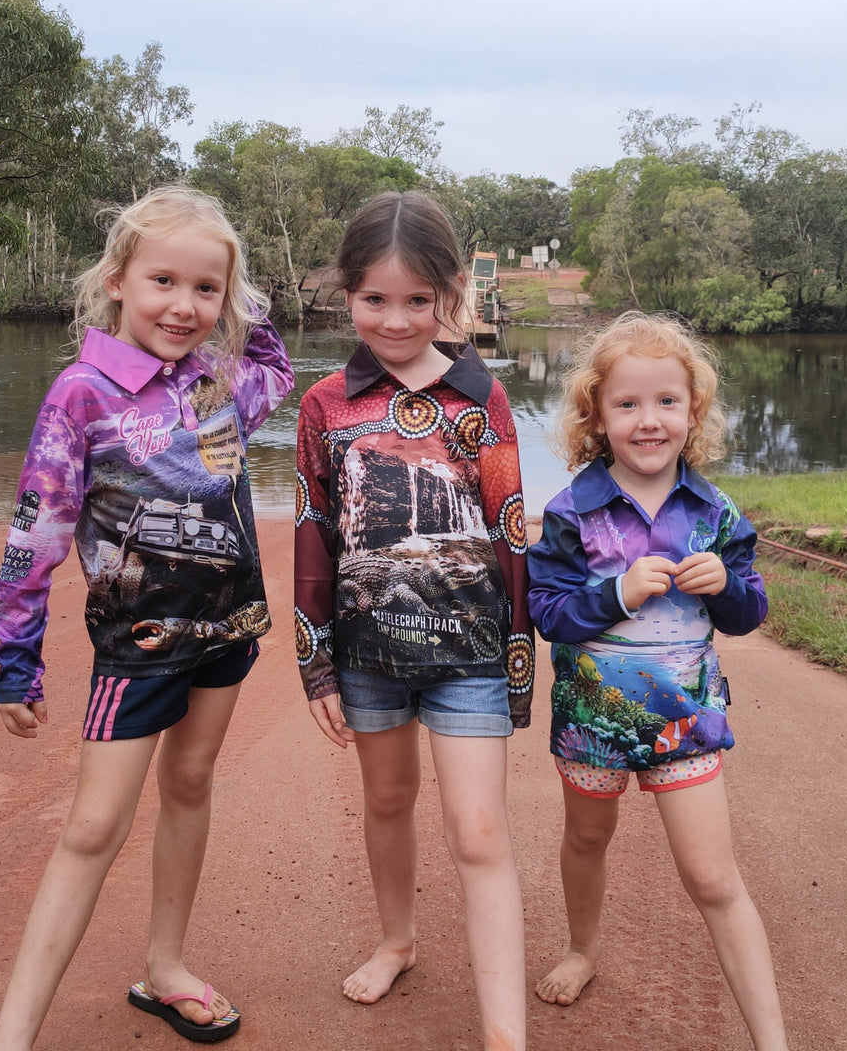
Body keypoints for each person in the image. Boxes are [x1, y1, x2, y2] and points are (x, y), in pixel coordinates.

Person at [0, 185, 293, 1049]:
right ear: (117, 280)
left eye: (206, 289)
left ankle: (166, 967)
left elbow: (276, 368)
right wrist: (16, 655)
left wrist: (247, 296)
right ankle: (11, 1037)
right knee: (92, 829)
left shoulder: (222, 380)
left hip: (225, 632)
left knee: (191, 783)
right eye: (163, 281)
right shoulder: (82, 394)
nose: (184, 306)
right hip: (138, 648)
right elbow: (36, 532)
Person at [294, 190, 535, 1051]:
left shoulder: (482, 400)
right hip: (367, 655)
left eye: (417, 300)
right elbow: (314, 531)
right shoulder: (325, 405)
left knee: (479, 830)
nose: (395, 321)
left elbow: (510, 531)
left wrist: (518, 661)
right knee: (387, 799)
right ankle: (396, 940)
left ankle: (505, 1034)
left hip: (472, 655)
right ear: (346, 292)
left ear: (451, 294)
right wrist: (315, 660)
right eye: (375, 299)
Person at [527, 311, 788, 1049]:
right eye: (628, 404)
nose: (649, 420)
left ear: (693, 412)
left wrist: (726, 587)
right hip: (592, 720)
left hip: (685, 722)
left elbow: (749, 610)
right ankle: (582, 948)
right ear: (597, 417)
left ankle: (773, 1040)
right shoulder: (572, 512)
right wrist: (616, 593)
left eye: (667, 401)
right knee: (587, 837)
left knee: (713, 878)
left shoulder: (715, 512)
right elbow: (547, 612)